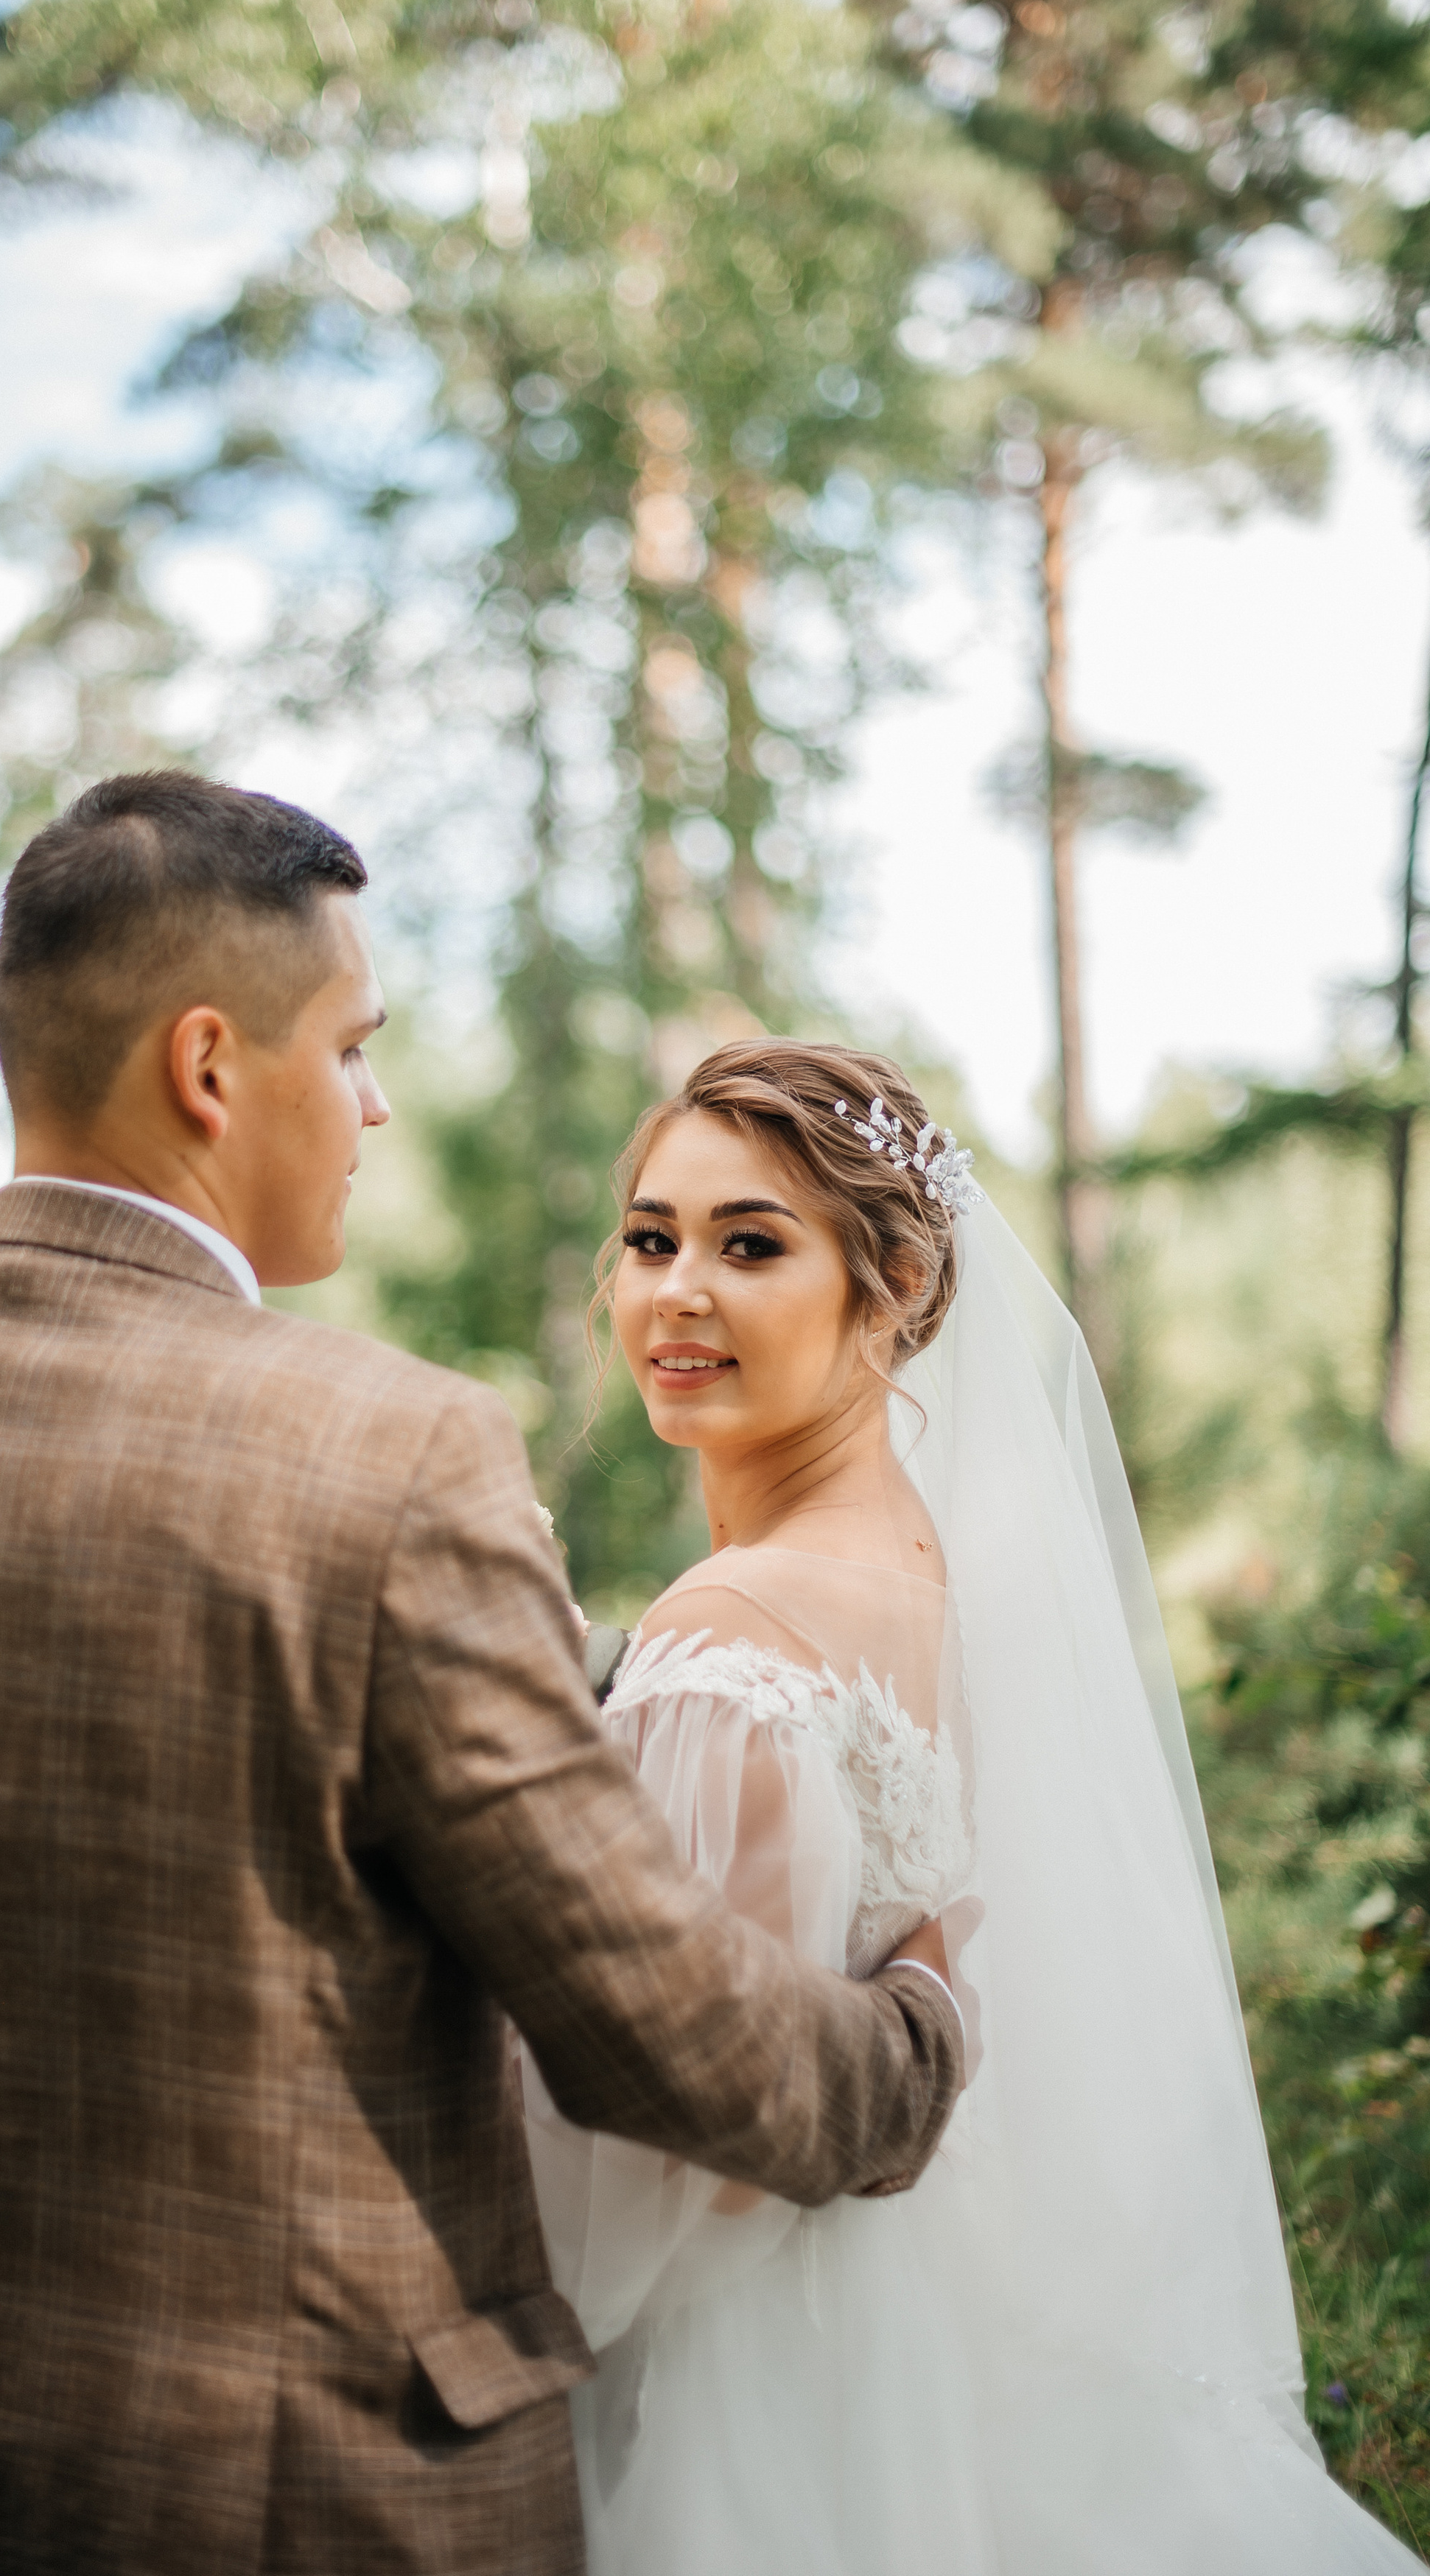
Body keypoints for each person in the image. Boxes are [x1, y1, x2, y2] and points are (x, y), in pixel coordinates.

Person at [0, 774, 964, 2576]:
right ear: (212, 1068)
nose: (374, 1103)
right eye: (355, 1047)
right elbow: (683, 2050)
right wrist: (917, 2031)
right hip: (252, 2502)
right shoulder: (386, 1458)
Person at [525, 1037, 1417, 2574]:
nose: (675, 1290)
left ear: (896, 1286)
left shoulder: (728, 1632)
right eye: (649, 1238)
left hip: (752, 2373)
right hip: (939, 2284)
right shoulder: (944, 1561)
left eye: (750, 1243)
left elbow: (670, 2141)